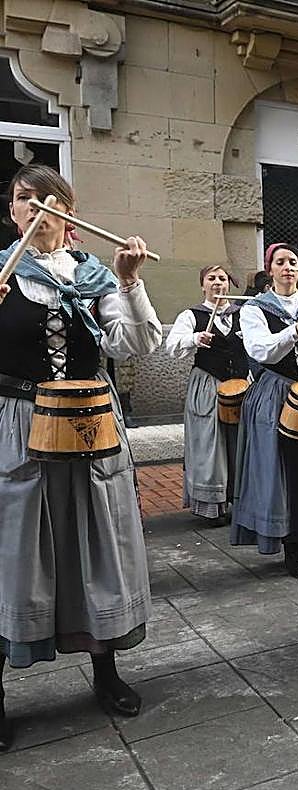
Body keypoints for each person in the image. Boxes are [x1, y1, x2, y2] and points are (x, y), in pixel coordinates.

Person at [0, 164, 161, 750]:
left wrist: (129, 282)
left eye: (47, 197)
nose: (34, 205)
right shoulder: (1, 272)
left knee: (96, 544)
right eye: (23, 198)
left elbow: (137, 343)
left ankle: (105, 670)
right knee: (16, 553)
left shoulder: (95, 276)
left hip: (89, 426)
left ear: (67, 213)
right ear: (12, 212)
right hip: (19, 425)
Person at [230, 243, 298, 577]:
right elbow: (260, 350)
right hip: (275, 393)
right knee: (282, 470)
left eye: (293, 261)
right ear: (269, 269)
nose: (288, 267)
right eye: (281, 262)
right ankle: (291, 545)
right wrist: (292, 331)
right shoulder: (255, 309)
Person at [164, 264, 249, 521]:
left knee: (241, 443)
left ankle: (241, 502)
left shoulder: (244, 313)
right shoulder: (192, 315)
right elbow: (172, 347)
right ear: (203, 285)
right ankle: (213, 506)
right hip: (208, 385)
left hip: (241, 386)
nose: (217, 282)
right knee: (210, 444)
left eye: (222, 278)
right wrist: (194, 339)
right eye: (211, 278)